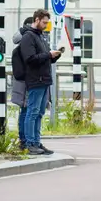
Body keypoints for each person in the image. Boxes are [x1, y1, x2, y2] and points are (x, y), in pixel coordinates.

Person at [20, 9, 61, 155]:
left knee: (39, 113)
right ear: (36, 20)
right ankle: (30, 144)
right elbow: (30, 59)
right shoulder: (28, 37)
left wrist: (54, 56)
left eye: (47, 22)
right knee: (32, 112)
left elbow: (44, 57)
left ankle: (36, 142)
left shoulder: (40, 36)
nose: (46, 25)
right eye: (44, 22)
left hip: (44, 79)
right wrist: (48, 54)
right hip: (35, 79)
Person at [11, 17, 34, 149]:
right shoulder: (24, 45)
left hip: (25, 81)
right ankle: (24, 140)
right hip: (25, 81)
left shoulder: (21, 44)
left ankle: (25, 140)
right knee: (26, 110)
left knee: (27, 110)